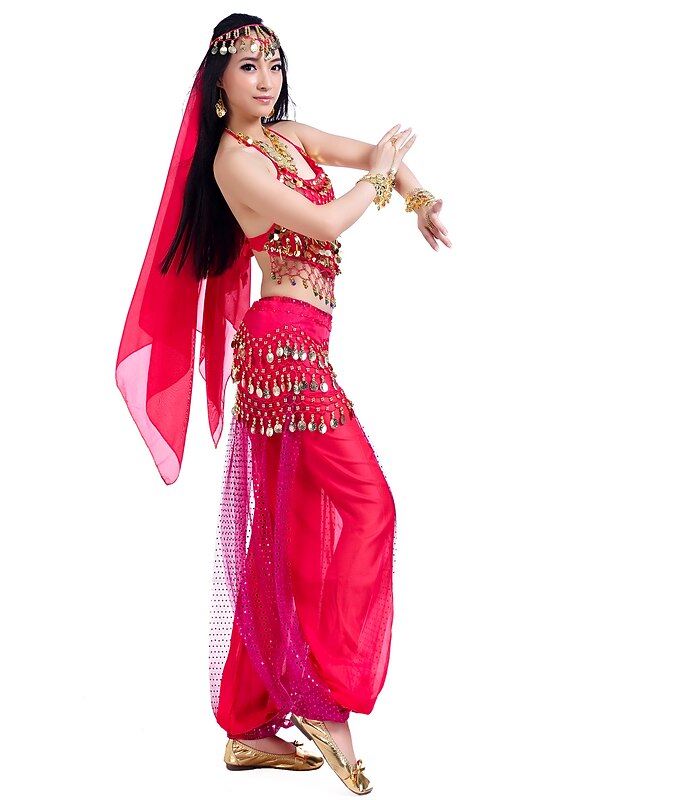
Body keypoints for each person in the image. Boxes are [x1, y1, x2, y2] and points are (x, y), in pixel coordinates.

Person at [115, 13, 451, 796]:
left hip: (301, 351)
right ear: (218, 86)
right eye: (247, 66)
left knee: (285, 536)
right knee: (371, 507)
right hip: (284, 356)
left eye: (272, 63)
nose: (264, 78)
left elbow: (373, 152)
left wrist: (418, 195)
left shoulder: (288, 137)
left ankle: (248, 725)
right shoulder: (233, 163)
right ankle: (324, 698)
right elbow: (330, 218)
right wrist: (381, 180)